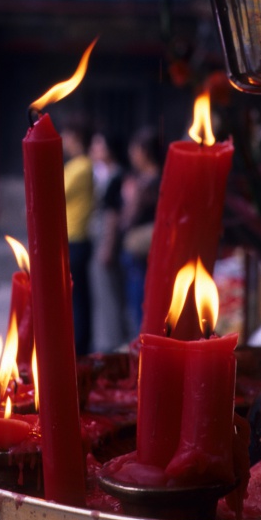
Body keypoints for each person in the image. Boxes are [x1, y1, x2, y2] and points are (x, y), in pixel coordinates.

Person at [89, 132, 128, 352]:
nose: (94, 148)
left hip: (108, 241)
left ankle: (112, 343)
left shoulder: (117, 177)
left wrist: (108, 246)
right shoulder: (101, 174)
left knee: (109, 294)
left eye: (99, 144)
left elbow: (113, 215)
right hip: (101, 237)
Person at [120, 127, 162, 333]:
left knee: (142, 308)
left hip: (145, 253)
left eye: (135, 150)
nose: (131, 154)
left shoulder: (154, 183)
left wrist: (132, 197)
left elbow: (130, 217)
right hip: (134, 252)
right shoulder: (140, 179)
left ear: (145, 152)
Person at [61, 121, 94, 355]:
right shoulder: (74, 165)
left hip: (77, 238)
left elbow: (55, 189)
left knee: (77, 295)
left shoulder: (82, 166)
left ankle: (80, 344)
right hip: (69, 237)